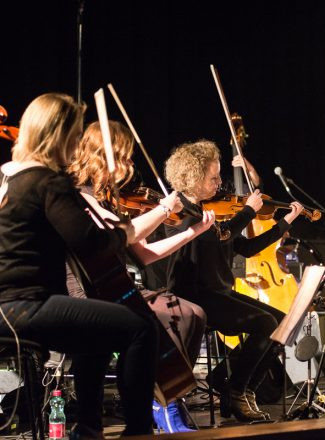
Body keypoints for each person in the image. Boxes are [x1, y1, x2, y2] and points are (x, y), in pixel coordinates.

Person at [0, 93, 211, 439]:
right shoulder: (47, 181)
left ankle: (88, 428)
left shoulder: (12, 177)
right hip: (26, 307)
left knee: (95, 333)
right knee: (141, 328)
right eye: (74, 133)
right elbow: (92, 242)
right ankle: (139, 430)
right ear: (59, 135)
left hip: (10, 306)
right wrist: (125, 230)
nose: (76, 142)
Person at [68, 120, 213, 433]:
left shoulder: (114, 198)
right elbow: (118, 234)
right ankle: (159, 403)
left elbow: (145, 253)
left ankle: (164, 394)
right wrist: (163, 209)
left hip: (117, 288)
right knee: (152, 321)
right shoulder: (80, 195)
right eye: (124, 158)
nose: (130, 166)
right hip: (86, 291)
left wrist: (192, 231)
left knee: (193, 314)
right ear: (100, 156)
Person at [163, 139, 304, 422]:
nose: (219, 183)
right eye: (212, 178)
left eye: (218, 177)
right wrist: (248, 211)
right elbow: (221, 234)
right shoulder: (185, 214)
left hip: (219, 292)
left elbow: (247, 247)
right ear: (192, 178)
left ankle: (238, 388)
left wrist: (284, 223)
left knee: (281, 321)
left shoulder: (212, 212)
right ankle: (238, 391)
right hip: (195, 296)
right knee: (265, 323)